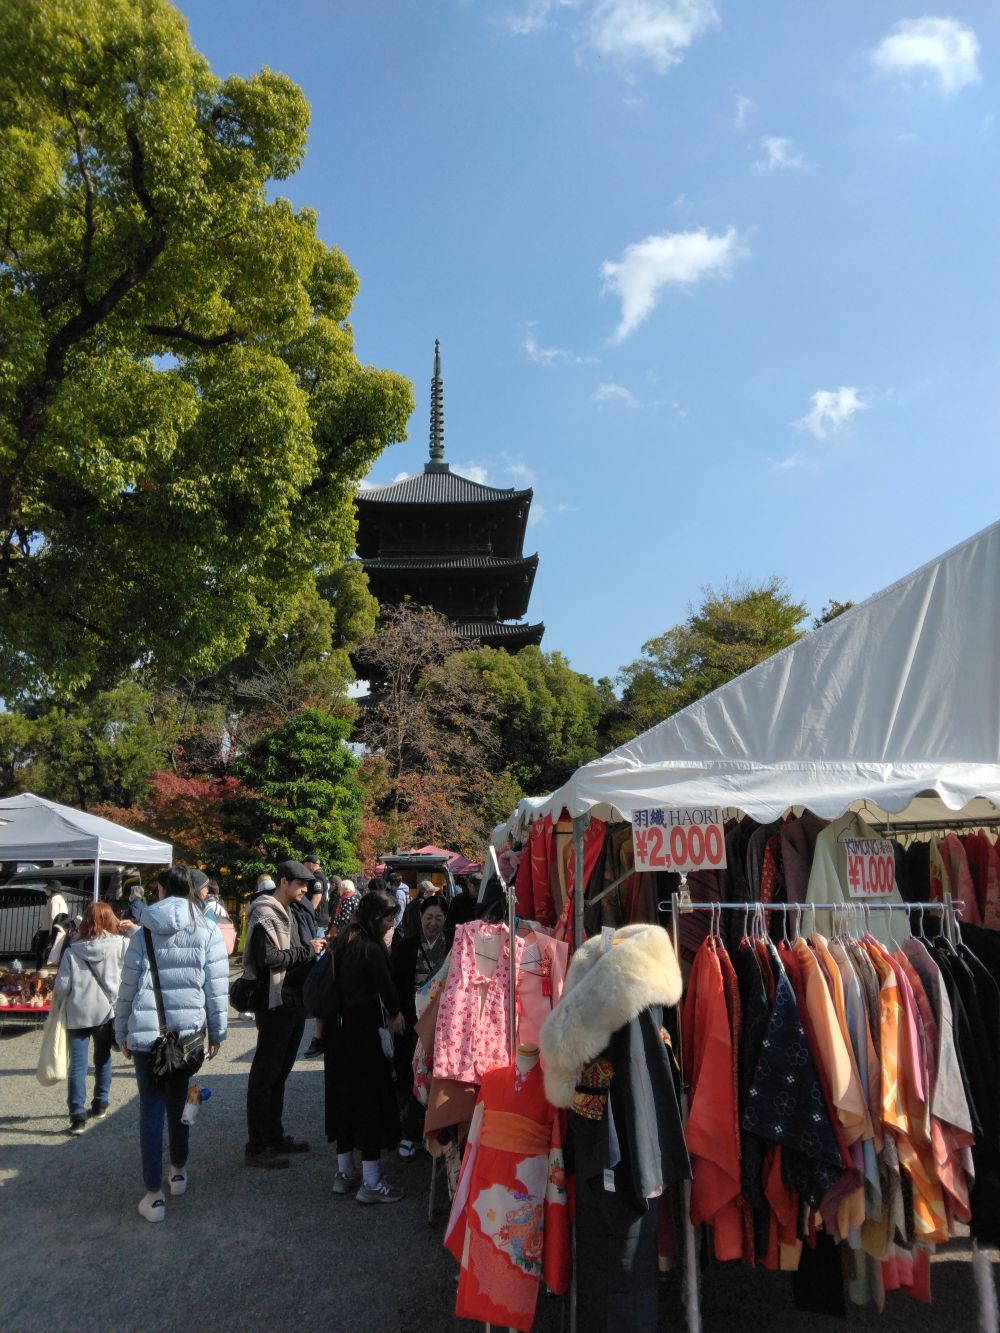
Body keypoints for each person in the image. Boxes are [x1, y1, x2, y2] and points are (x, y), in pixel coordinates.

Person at [114, 865, 228, 1223]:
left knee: (150, 1108)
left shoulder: (143, 930)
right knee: (180, 1102)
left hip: (147, 1034)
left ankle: (153, 1196)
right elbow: (216, 988)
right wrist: (217, 1032)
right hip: (187, 1035)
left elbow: (127, 988)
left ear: (162, 890)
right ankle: (178, 1172)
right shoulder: (206, 928)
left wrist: (121, 1032)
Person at [241, 860, 324, 1167]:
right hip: (274, 1001)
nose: (305, 890)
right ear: (284, 882)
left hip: (293, 1000)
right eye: (300, 885)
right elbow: (269, 958)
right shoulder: (265, 912)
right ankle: (257, 1146)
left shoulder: (290, 910)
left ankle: (274, 1136)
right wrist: (308, 950)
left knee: (280, 1071)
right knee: (265, 1074)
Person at [329, 888, 406, 1204]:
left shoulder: (342, 941)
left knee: (344, 1100)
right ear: (375, 918)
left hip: (338, 1032)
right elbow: (388, 989)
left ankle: (344, 1172)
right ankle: (371, 1182)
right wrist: (396, 1013)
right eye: (388, 919)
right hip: (364, 1031)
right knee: (370, 1102)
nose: (391, 925)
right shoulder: (370, 949)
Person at [54, 901, 135, 1135]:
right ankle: (100, 1102)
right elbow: (143, 947)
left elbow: (62, 987)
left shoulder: (72, 951)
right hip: (105, 1012)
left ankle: (77, 1115)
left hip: (77, 1013)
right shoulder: (120, 945)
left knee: (77, 1066)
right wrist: (133, 929)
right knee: (103, 1058)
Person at [391, 895, 448, 1159]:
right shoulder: (407, 946)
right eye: (428, 918)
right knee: (411, 1074)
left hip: (441, 1020)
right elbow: (394, 984)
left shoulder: (452, 947)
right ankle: (409, 1133)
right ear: (420, 917)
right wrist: (395, 1014)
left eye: (438, 918)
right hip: (412, 1019)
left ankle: (436, 1131)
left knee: (437, 1075)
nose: (433, 923)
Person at [445, 873, 481, 945]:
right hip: (460, 942)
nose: (478, 891)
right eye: (476, 888)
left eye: (480, 888)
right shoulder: (457, 901)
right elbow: (449, 924)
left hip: (478, 942)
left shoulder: (484, 901)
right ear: (469, 886)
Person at [304, 854, 330, 931]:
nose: (304, 867)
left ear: (310, 864)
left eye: (304, 864)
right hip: (322, 917)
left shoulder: (317, 877)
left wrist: (307, 914)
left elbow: (317, 897)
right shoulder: (323, 876)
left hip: (317, 919)